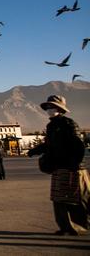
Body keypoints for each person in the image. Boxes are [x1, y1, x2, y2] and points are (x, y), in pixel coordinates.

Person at [28, 95, 88, 236]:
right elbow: (50, 144)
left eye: (52, 107)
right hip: (59, 166)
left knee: (76, 198)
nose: (49, 110)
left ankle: (79, 225)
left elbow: (79, 146)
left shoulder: (69, 124)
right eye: (48, 107)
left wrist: (75, 164)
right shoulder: (51, 126)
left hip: (72, 167)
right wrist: (35, 150)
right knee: (58, 198)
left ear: (60, 109)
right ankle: (65, 226)